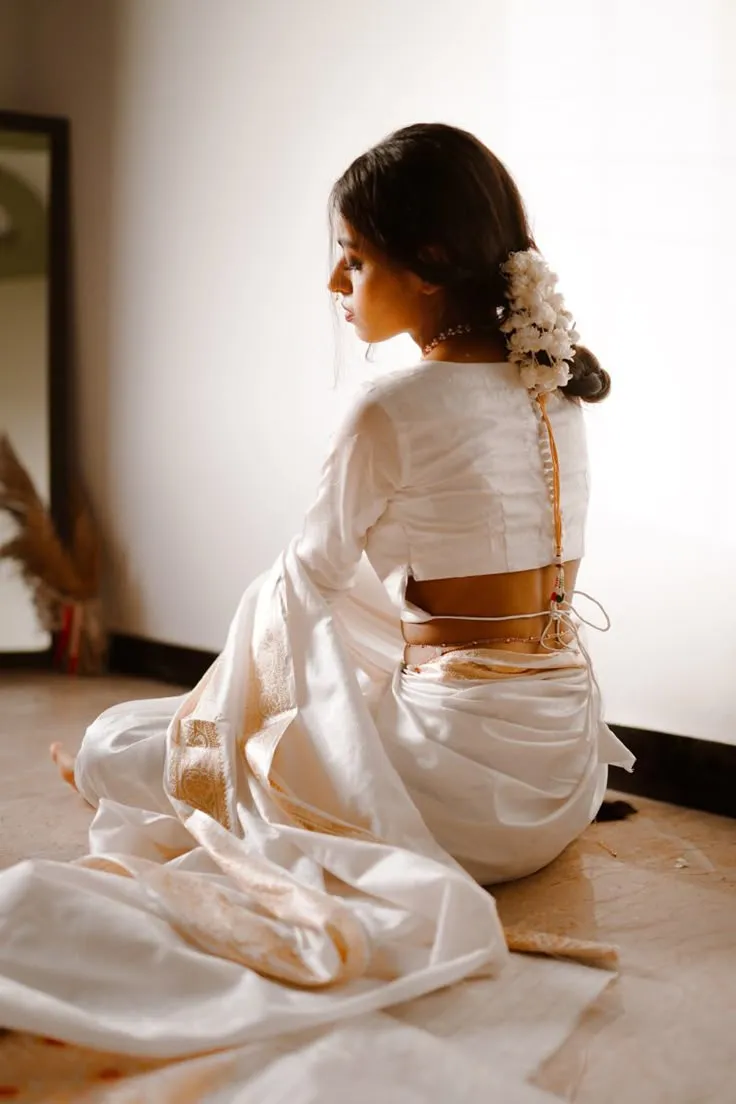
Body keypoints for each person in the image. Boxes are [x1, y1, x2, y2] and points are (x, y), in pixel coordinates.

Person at [4, 123, 633, 1058]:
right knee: (226, 719)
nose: (335, 286)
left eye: (352, 259)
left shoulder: (394, 404)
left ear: (426, 264)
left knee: (122, 740)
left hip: (458, 796)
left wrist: (205, 736)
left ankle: (133, 767)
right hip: (561, 778)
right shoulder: (556, 388)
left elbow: (299, 589)